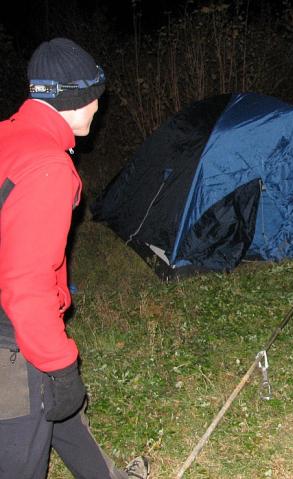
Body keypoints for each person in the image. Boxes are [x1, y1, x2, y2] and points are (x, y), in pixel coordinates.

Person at [0, 38, 149, 479]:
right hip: (12, 341)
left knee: (66, 421)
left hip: (17, 325)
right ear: (70, 99)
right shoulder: (46, 167)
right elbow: (27, 285)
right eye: (93, 97)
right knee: (21, 456)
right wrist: (60, 366)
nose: (99, 107)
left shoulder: (10, 134)